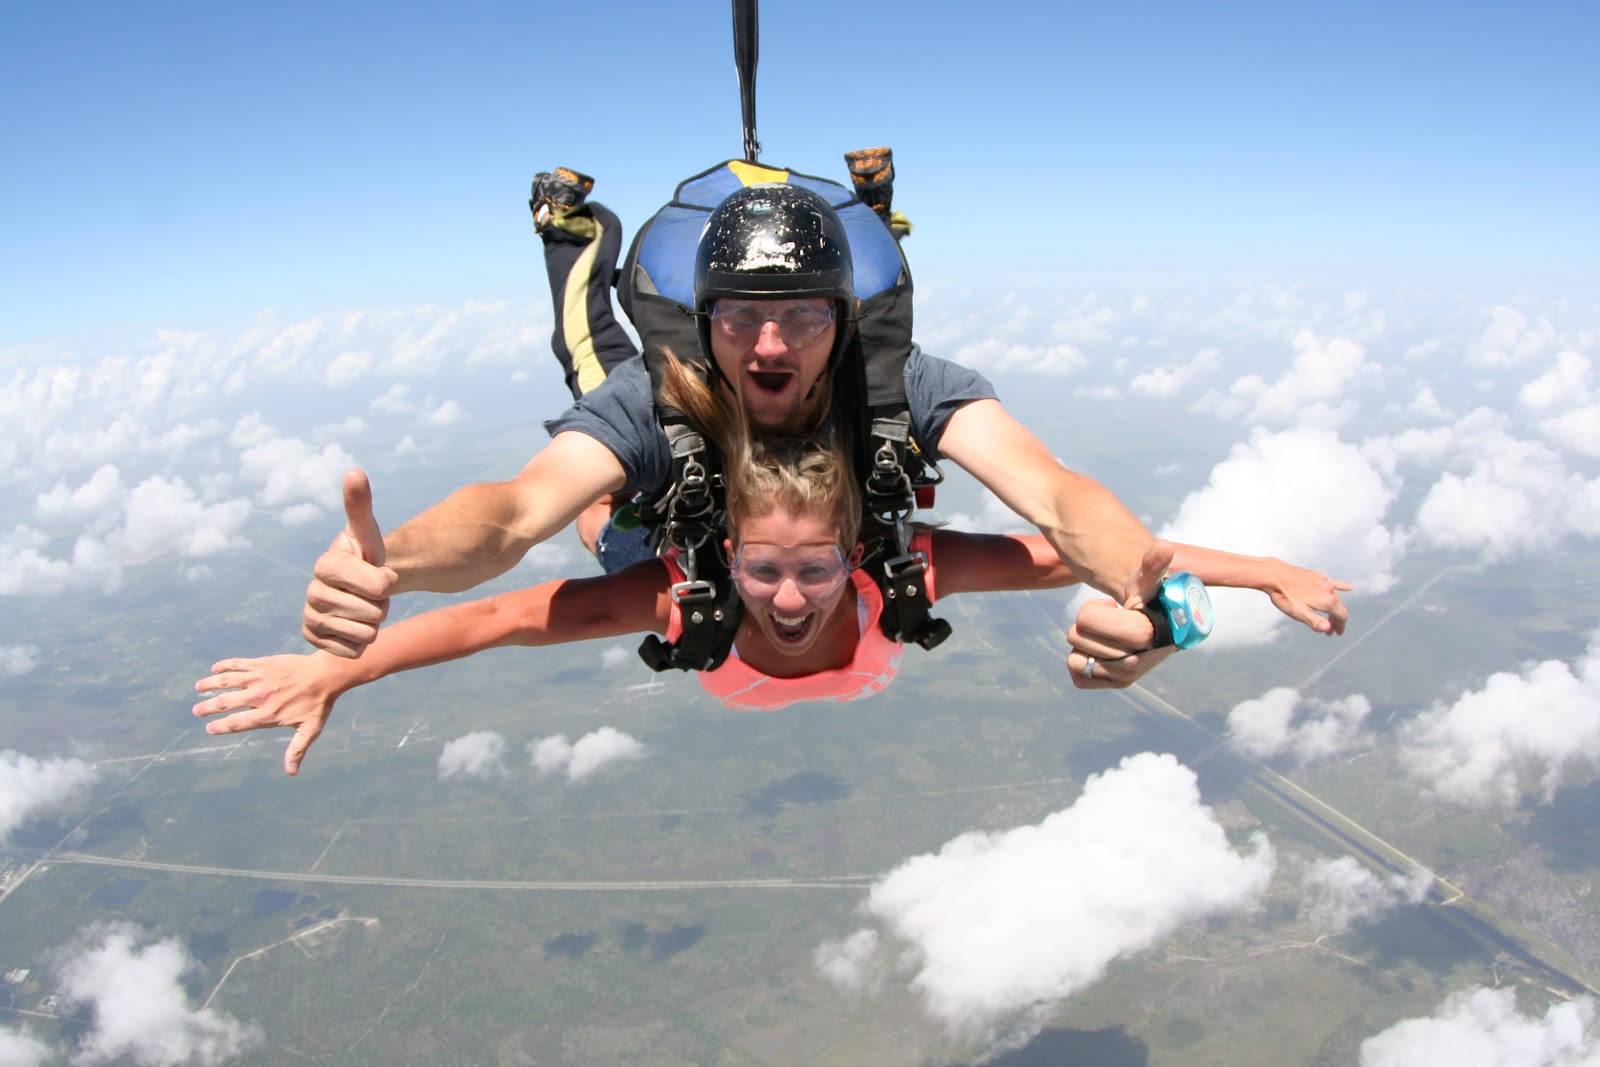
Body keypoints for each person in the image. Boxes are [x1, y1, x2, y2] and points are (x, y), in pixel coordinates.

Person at [200, 354, 1351, 775]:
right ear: (730, 557)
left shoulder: (898, 572)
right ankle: (583, 296)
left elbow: (1068, 556)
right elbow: (493, 613)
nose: (793, 597)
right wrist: (348, 647)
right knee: (604, 498)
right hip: (652, 531)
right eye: (763, 571)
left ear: (856, 548)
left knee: (625, 509)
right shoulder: (679, 585)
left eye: (813, 569)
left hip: (734, 541)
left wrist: (1260, 568)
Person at [297, 166, 1209, 678]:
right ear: (703, 326)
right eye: (739, 316)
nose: (769, 344)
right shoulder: (653, 401)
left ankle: (873, 213)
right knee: (588, 363)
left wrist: (1140, 583)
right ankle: (570, 228)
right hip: (661, 495)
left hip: (690, 526)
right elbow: (509, 516)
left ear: (845, 323)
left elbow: (1054, 495)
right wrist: (396, 563)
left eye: (805, 316)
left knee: (604, 520)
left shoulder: (907, 385)